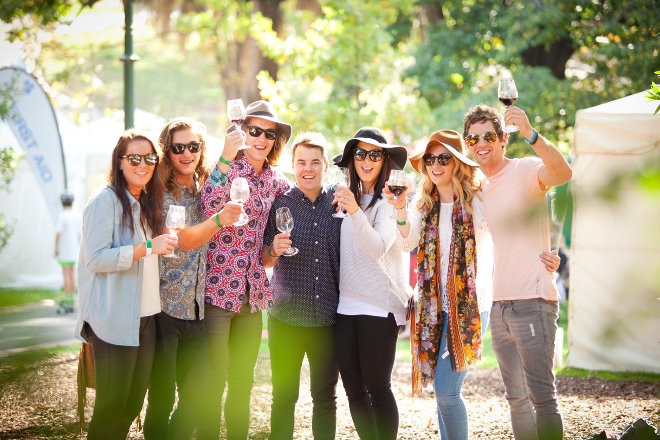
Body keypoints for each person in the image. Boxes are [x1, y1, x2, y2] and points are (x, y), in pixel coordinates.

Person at [462, 104, 572, 440]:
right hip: (499, 305)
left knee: (542, 398)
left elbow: (563, 173)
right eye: (473, 138)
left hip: (533, 300)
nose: (482, 143)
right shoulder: (477, 188)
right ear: (468, 143)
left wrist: (531, 133)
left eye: (489, 136)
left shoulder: (525, 169)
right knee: (516, 399)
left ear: (501, 140)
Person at [75, 129, 178, 439]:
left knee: (132, 404)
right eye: (134, 158)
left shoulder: (146, 203)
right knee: (111, 406)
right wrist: (147, 248)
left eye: (150, 158)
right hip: (113, 320)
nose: (143, 164)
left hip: (147, 318)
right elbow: (96, 260)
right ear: (119, 162)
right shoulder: (104, 202)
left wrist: (162, 248)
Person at [143, 118, 242, 439]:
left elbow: (217, 176)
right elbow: (184, 239)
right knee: (161, 399)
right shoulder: (160, 193)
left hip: (197, 311)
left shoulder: (202, 189)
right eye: (178, 148)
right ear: (167, 153)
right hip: (164, 310)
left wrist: (227, 156)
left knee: (200, 392)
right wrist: (219, 219)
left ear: (202, 149)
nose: (187, 154)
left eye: (194, 147)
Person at [201, 100, 292, 439]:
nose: (261, 139)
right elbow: (207, 205)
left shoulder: (277, 182)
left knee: (242, 381)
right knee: (213, 378)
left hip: (252, 296)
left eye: (269, 134)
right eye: (255, 131)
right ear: (243, 131)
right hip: (216, 291)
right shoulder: (226, 167)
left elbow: (291, 215)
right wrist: (225, 157)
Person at [332, 127, 411, 440]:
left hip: (380, 306)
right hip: (344, 306)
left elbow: (378, 247)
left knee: (378, 388)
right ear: (351, 159)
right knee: (353, 390)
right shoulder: (342, 199)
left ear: (384, 160)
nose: (366, 160)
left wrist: (354, 211)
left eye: (374, 154)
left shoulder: (389, 201)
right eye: (360, 153)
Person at [262, 131, 341, 440]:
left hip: (327, 317)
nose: (308, 169)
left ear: (324, 165)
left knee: (325, 398)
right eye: (301, 163)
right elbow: (266, 259)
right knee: (284, 395)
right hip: (286, 316)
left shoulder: (338, 202)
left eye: (315, 162)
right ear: (292, 165)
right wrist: (274, 249)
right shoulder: (280, 203)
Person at [54, 191, 81, 312]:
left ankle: (67, 297)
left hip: (65, 250)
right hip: (74, 250)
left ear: (62, 203)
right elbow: (79, 234)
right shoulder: (76, 216)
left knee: (65, 274)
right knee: (71, 274)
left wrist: (55, 248)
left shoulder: (62, 216)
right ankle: (71, 298)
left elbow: (58, 233)